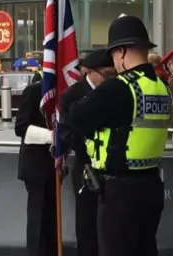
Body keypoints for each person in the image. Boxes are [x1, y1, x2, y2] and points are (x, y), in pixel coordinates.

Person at [67, 15, 171, 256]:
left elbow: (76, 116)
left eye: (113, 54)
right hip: (151, 185)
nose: (114, 62)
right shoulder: (161, 87)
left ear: (122, 51)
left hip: (119, 192)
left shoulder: (120, 87)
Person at [60, 49, 116, 256]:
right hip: (87, 168)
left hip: (113, 168)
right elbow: (66, 133)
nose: (112, 79)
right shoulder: (72, 96)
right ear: (90, 72)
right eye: (108, 74)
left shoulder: (115, 92)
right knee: (87, 224)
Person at [14, 71, 58, 256]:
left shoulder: (63, 91)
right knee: (37, 218)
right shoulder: (34, 91)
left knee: (51, 218)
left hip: (53, 164)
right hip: (36, 165)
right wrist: (52, 137)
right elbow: (20, 127)